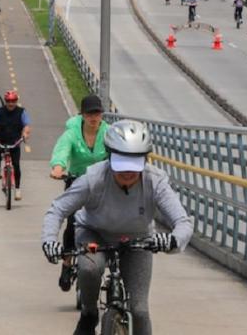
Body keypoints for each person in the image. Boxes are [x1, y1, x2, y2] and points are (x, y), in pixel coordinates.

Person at [41, 119, 193, 335]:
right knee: (90, 268)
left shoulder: (155, 181)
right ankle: (89, 313)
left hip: (138, 239)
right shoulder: (93, 178)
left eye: (134, 165)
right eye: (122, 164)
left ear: (145, 159)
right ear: (110, 157)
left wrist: (172, 240)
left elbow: (182, 222)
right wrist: (49, 241)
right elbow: (57, 209)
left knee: (139, 310)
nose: (128, 173)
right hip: (94, 233)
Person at [49, 95, 109, 292]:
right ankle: (67, 264)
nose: (94, 117)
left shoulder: (108, 133)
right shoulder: (72, 133)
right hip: (76, 182)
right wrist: (58, 167)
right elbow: (62, 151)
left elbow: (118, 152)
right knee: (72, 223)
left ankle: (113, 265)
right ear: (82, 115)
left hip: (102, 184)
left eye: (97, 113)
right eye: (90, 113)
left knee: (109, 222)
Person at [0, 91, 32, 201]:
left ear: (16, 101)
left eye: (13, 101)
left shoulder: (21, 112)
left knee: (16, 165)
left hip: (15, 142)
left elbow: (26, 125)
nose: (11, 103)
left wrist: (25, 134)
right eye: (8, 101)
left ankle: (18, 189)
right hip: (2, 140)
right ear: (5, 101)